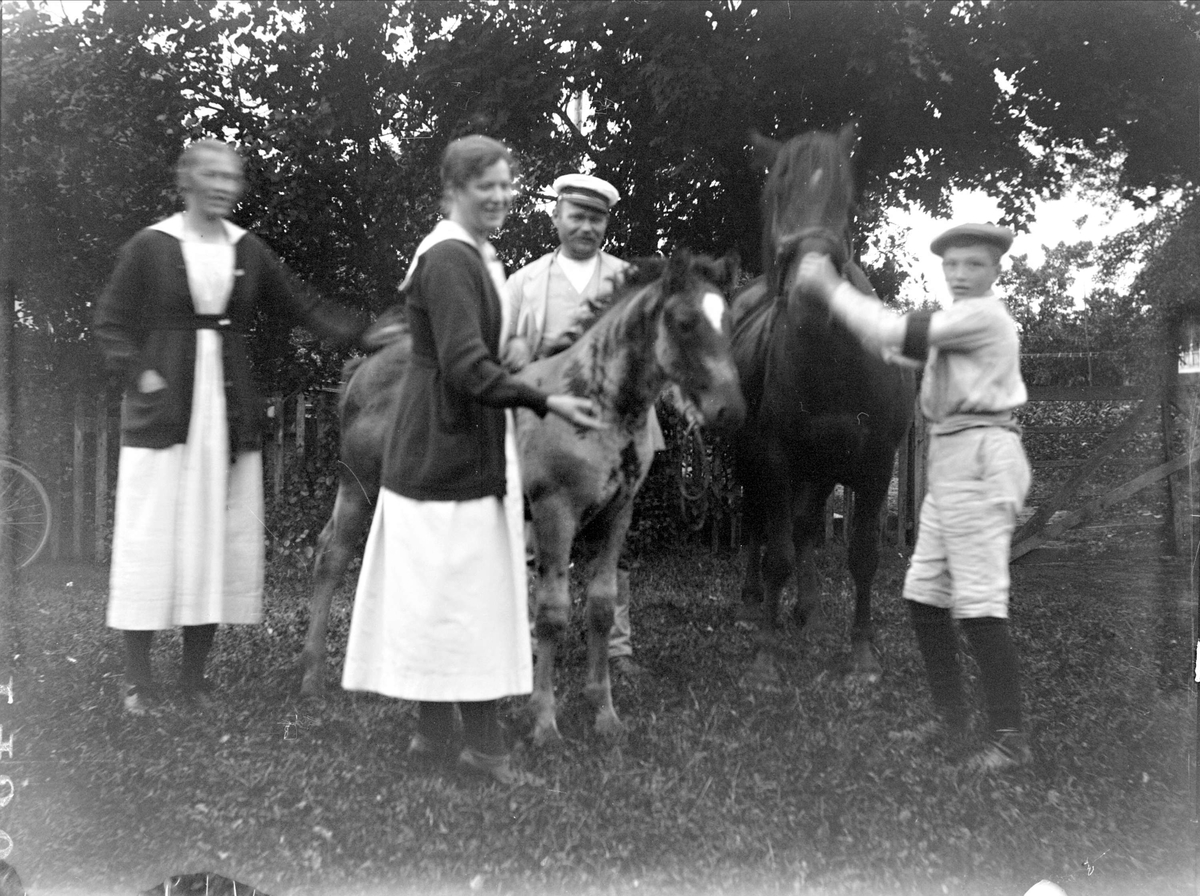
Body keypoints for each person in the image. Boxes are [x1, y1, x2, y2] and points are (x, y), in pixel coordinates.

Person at [339, 136, 605, 786]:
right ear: (453, 189)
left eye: (509, 185)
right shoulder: (451, 257)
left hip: (449, 440)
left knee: (443, 594)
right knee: (471, 598)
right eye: (487, 186)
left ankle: (433, 738)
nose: (502, 197)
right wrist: (547, 401)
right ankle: (482, 749)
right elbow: (463, 364)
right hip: (446, 445)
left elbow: (474, 356)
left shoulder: (473, 253)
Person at [95, 139, 373, 715]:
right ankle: (138, 682)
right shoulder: (151, 246)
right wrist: (141, 374)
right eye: (212, 175)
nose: (224, 186)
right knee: (152, 541)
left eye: (233, 177)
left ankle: (195, 680)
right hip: (165, 416)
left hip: (227, 416)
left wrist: (370, 333)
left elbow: (304, 305)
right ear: (185, 182)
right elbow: (111, 325)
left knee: (216, 543)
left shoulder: (249, 249)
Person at [795, 222, 1033, 773]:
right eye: (952, 265)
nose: (960, 274)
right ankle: (951, 721)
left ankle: (1008, 737)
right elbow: (889, 342)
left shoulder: (985, 317)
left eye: (974, 264)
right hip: (952, 459)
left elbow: (896, 333)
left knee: (978, 602)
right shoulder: (953, 322)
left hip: (982, 456)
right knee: (924, 595)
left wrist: (832, 287)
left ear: (995, 271)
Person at [504, 173, 662, 679]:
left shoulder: (630, 282)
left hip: (616, 429)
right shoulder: (524, 282)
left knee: (616, 540)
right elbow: (506, 356)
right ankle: (532, 643)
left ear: (606, 225)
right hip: (544, 425)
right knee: (536, 540)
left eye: (596, 218)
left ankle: (617, 646)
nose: (586, 226)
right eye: (576, 215)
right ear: (556, 217)